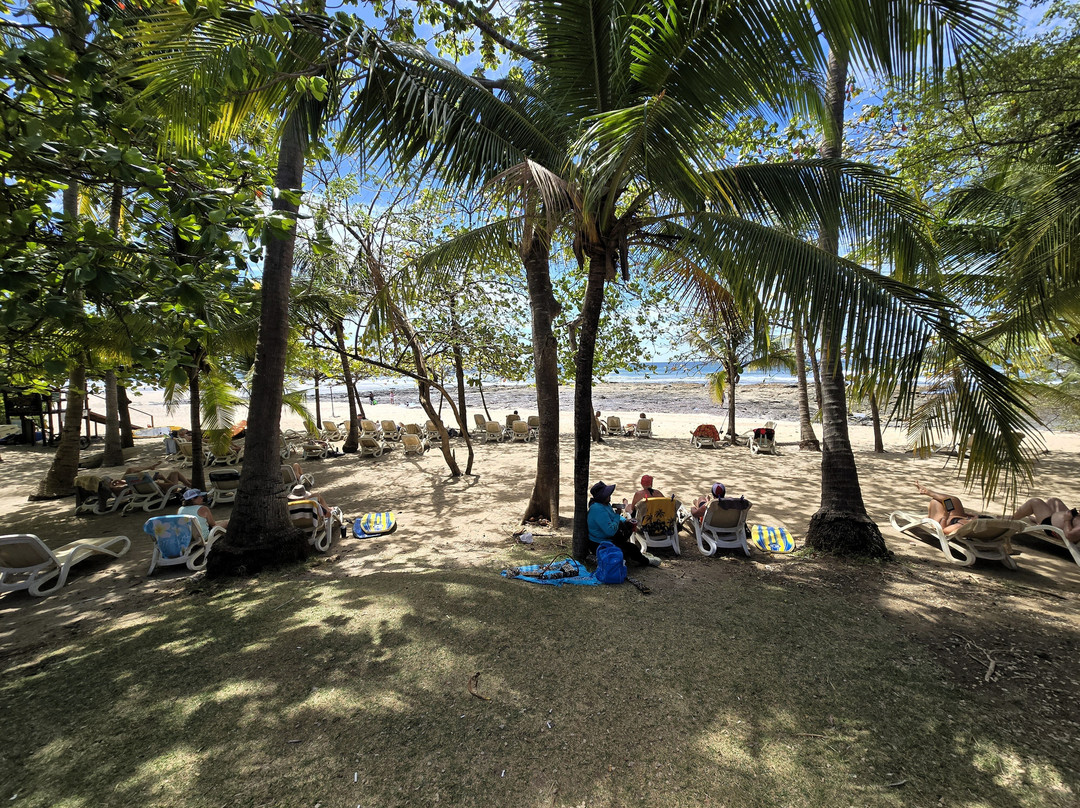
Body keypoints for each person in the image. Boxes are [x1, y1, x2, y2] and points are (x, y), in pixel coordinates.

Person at [587, 481, 660, 567]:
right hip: (600, 543)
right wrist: (617, 515)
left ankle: (634, 556)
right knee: (632, 549)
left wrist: (625, 520)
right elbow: (610, 531)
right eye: (607, 495)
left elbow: (612, 515)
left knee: (629, 539)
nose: (610, 496)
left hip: (607, 538)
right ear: (602, 497)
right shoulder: (597, 510)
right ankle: (646, 561)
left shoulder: (605, 504)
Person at [1011, 497, 1080, 542]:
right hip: (1065, 522)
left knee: (1034, 502)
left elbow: (1069, 536)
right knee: (1053, 501)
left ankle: (1011, 520)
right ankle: (1039, 519)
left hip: (1053, 529)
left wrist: (1067, 520)